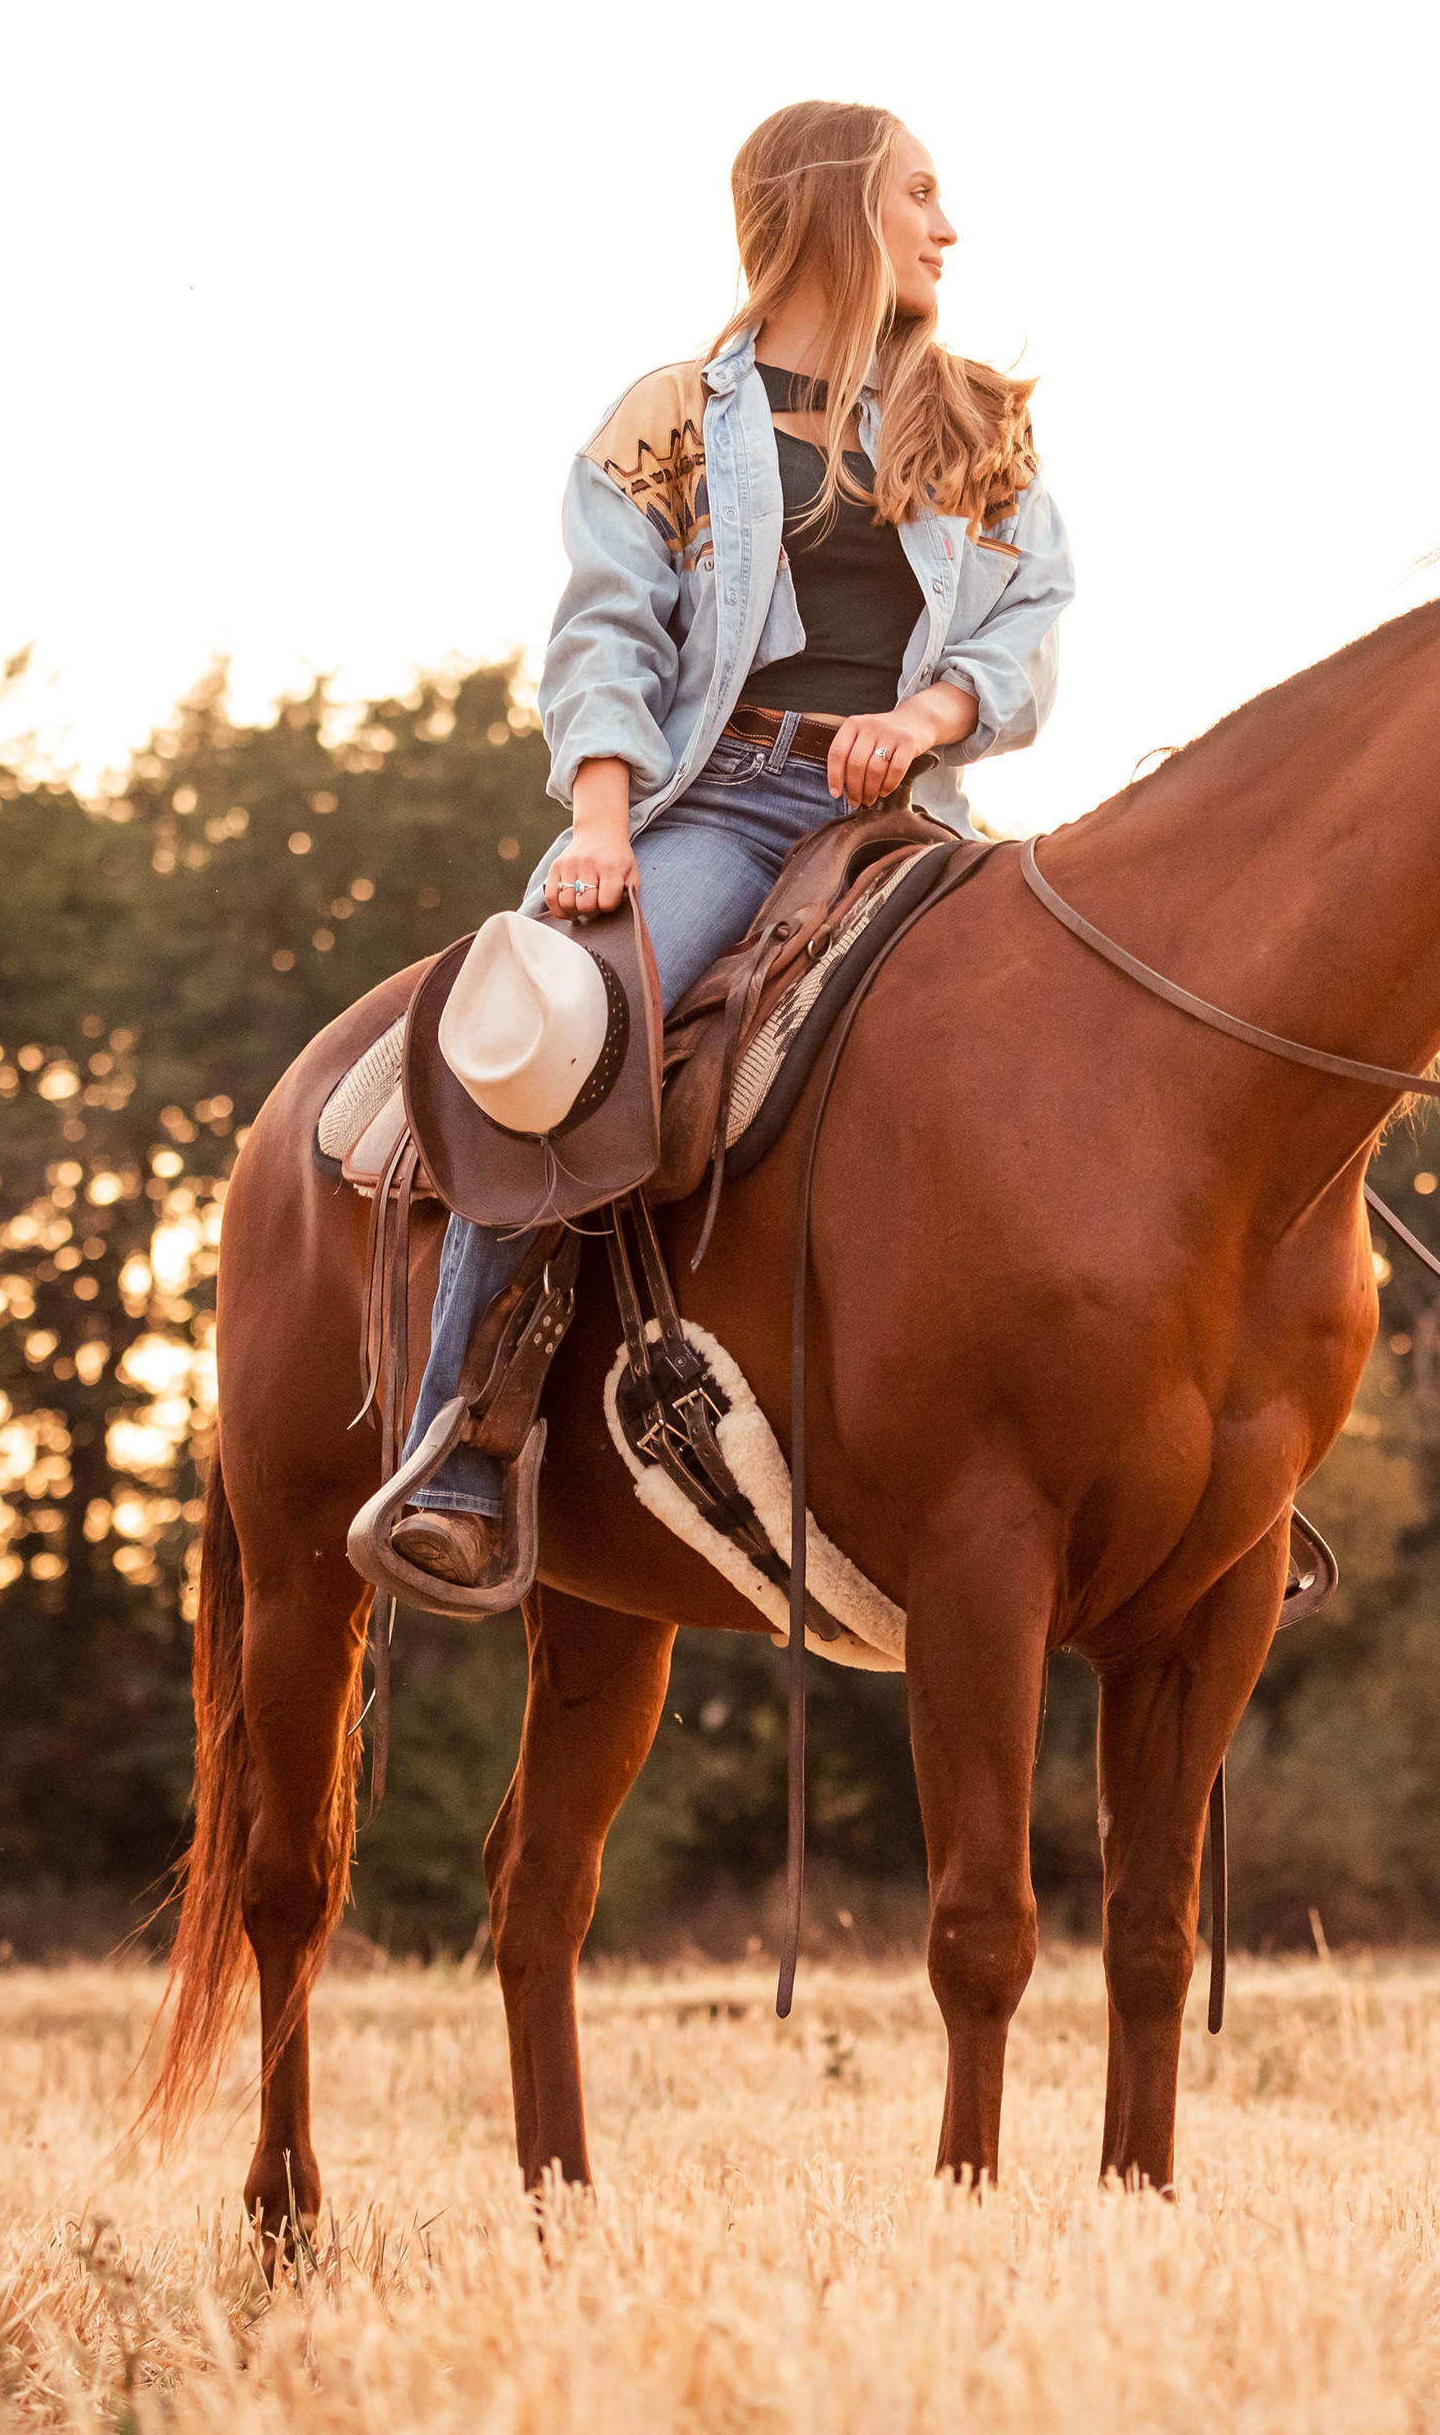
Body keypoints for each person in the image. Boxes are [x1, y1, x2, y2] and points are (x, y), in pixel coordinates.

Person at [380, 100, 1077, 1591]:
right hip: (722, 797)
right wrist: (599, 822)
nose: (948, 231)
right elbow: (607, 632)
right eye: (920, 197)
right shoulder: (676, 418)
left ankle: (1152, 1452)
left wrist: (940, 709)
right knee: (568, 1037)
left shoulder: (973, 420)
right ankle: (467, 1439)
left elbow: (1030, 618)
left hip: (903, 819)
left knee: (1072, 1043)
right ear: (836, 212)